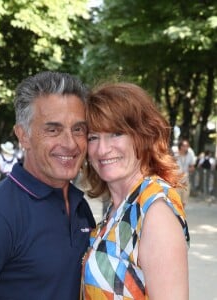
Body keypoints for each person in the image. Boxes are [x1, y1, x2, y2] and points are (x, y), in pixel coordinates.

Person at [0, 71, 96, 299]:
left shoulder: (80, 207)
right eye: (52, 130)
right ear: (23, 136)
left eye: (78, 129)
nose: (70, 143)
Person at [81, 82, 190, 299]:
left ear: (144, 135)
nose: (103, 149)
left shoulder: (155, 210)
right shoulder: (121, 207)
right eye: (93, 137)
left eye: (116, 134)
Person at [174, 138, 196, 207]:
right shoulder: (175, 155)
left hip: (186, 180)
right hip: (177, 180)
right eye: (184, 146)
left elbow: (192, 166)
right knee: (177, 200)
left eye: (187, 146)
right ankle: (178, 216)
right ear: (180, 146)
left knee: (184, 201)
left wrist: (191, 169)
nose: (186, 147)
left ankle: (181, 215)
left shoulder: (190, 155)